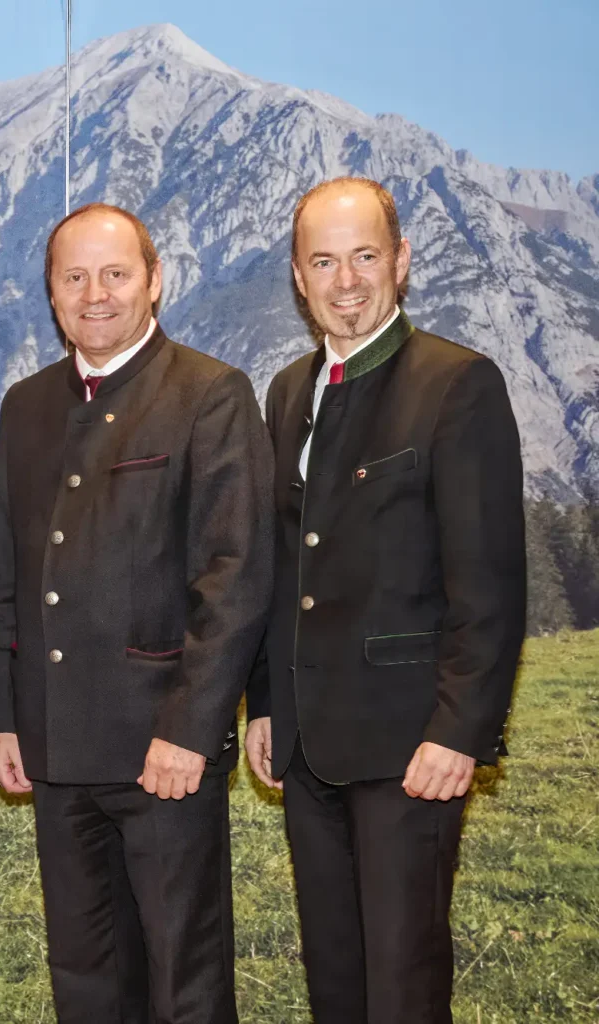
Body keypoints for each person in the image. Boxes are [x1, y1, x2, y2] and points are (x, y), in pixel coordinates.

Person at [0, 203, 273, 1024]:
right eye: (74, 277)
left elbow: (236, 577)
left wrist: (189, 729)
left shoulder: (211, 393)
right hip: (54, 748)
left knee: (185, 980)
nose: (95, 294)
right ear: (51, 292)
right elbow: (4, 574)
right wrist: (3, 718)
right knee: (84, 979)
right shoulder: (27, 405)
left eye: (115, 274)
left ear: (155, 281)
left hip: (161, 752)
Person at [244, 177, 525, 1024]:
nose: (347, 280)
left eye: (365, 256)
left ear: (401, 262)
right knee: (334, 980)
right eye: (324, 261)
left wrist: (459, 731)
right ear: (298, 276)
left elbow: (490, 584)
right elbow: (282, 567)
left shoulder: (458, 384)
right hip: (306, 747)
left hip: (413, 750)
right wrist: (265, 705)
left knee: (402, 987)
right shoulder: (287, 392)